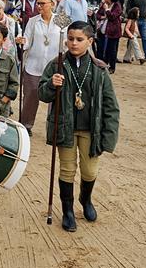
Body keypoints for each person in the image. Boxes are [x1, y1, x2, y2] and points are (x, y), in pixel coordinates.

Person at [39, 21, 120, 232]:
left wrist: (108, 137)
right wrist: (51, 84)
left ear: (90, 41)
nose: (73, 43)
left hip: (91, 129)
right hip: (65, 127)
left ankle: (86, 199)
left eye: (79, 39)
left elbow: (111, 106)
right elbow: (42, 94)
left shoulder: (99, 69)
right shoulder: (56, 65)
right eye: (70, 39)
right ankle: (67, 210)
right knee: (67, 169)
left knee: (89, 170)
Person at [18, 0, 61, 134]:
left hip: (54, 67)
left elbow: (67, 41)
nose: (39, 6)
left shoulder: (62, 20)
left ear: (52, 4)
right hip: (33, 66)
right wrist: (22, 42)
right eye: (38, 3)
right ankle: (26, 125)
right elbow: (27, 41)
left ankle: (53, 126)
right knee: (30, 97)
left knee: (56, 98)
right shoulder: (33, 21)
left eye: (42, 3)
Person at [94, 0, 122, 73]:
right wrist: (102, 17)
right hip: (102, 31)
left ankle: (112, 67)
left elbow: (112, 17)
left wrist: (107, 10)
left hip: (113, 32)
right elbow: (98, 14)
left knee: (112, 50)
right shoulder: (104, 4)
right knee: (100, 48)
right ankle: (101, 64)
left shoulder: (117, 6)